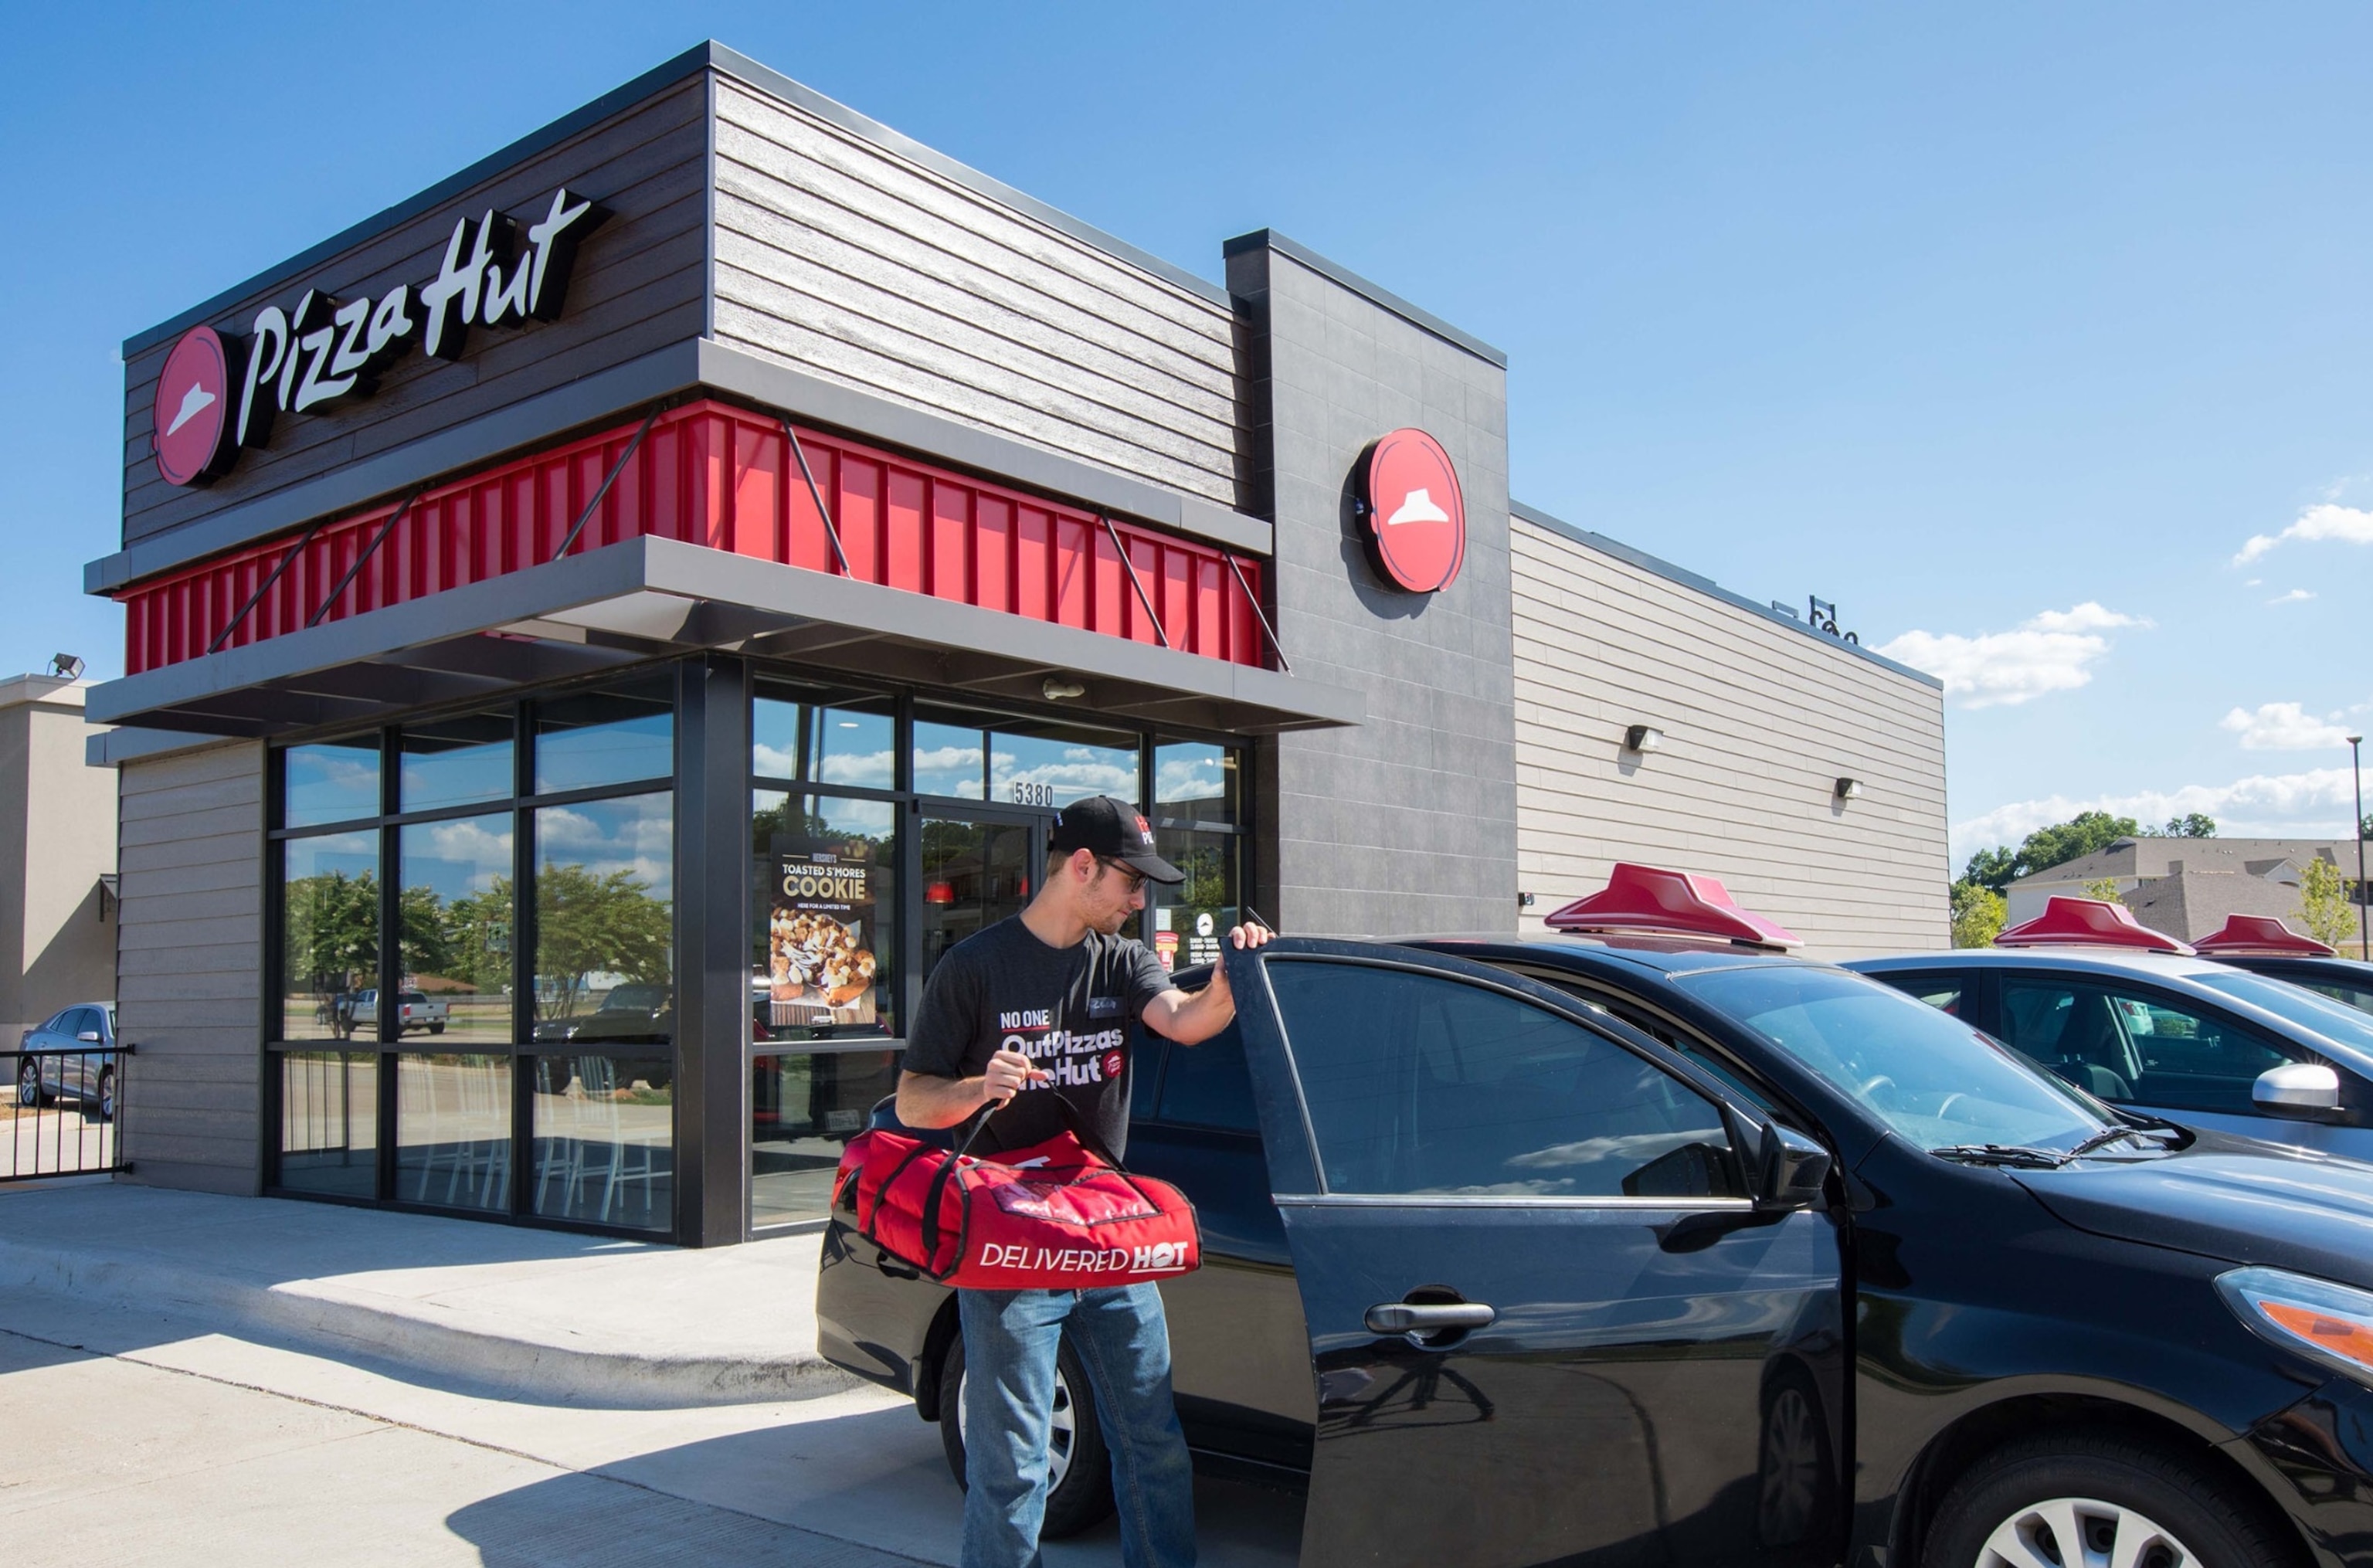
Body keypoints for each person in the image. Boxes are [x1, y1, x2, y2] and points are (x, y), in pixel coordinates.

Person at [897, 794, 1271, 1568]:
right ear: (1081, 866)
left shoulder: (1123, 958)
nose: (1141, 900)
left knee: (1154, 1441)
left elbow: (1185, 1017)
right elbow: (911, 1099)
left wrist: (1236, 977)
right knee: (1011, 1467)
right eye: (1131, 883)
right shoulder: (974, 967)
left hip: (1106, 1233)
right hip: (1011, 1244)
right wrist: (976, 1087)